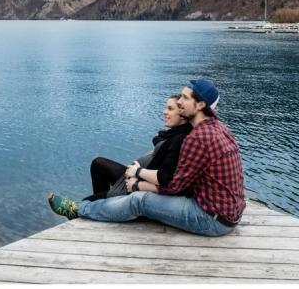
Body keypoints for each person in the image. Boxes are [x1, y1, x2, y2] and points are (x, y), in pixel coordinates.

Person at [47, 78, 245, 237]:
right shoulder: (218, 128)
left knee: (139, 201)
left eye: (184, 98)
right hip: (228, 212)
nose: (179, 102)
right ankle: (91, 210)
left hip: (210, 219)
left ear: (200, 104)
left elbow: (173, 186)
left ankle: (79, 210)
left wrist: (137, 183)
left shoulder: (198, 137)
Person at [85, 94, 192, 201]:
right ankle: (103, 206)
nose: (164, 112)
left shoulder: (179, 139)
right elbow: (159, 139)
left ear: (183, 114)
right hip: (134, 177)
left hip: (136, 184)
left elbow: (165, 177)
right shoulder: (174, 133)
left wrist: (137, 173)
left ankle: (103, 205)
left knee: (87, 202)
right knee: (98, 164)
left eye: (170, 109)